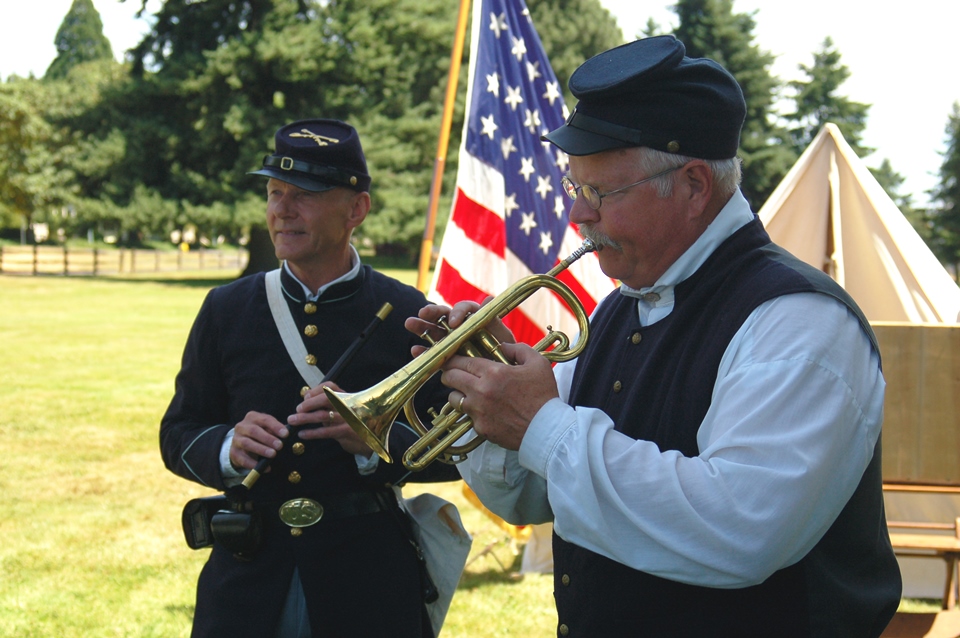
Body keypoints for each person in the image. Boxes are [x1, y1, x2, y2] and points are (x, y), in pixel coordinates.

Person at [406, 35, 902, 637]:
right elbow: (531, 496)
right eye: (574, 188)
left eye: (601, 193)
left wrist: (540, 422)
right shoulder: (619, 310)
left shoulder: (799, 321)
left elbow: (739, 530)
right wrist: (483, 394)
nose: (577, 216)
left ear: (694, 186)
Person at [160, 118, 460, 638]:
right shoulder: (226, 308)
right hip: (249, 581)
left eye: (306, 194)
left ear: (357, 209)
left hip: (367, 584)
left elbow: (455, 453)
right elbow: (178, 433)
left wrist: (375, 441)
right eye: (275, 192)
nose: (281, 209)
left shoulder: (410, 314)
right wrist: (229, 446)